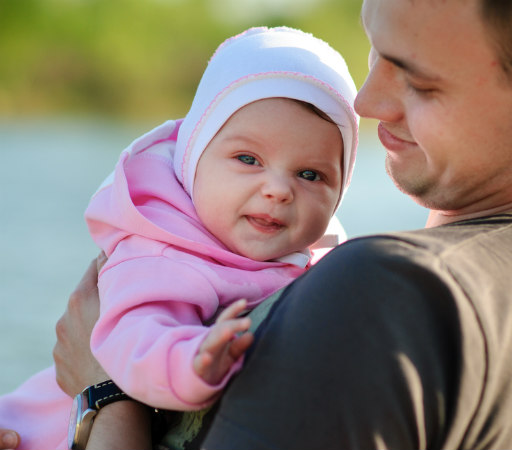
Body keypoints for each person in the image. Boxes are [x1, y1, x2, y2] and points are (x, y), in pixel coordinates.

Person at [4, 0, 512, 448]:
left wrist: (103, 397)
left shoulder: (386, 294)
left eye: (418, 81)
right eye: (374, 55)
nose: (365, 103)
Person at [0, 26, 358, 450]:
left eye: (310, 174)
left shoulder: (329, 265)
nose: (278, 189)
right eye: (248, 159)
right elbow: (135, 337)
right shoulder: (165, 249)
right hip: (41, 434)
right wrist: (194, 361)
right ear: (193, 159)